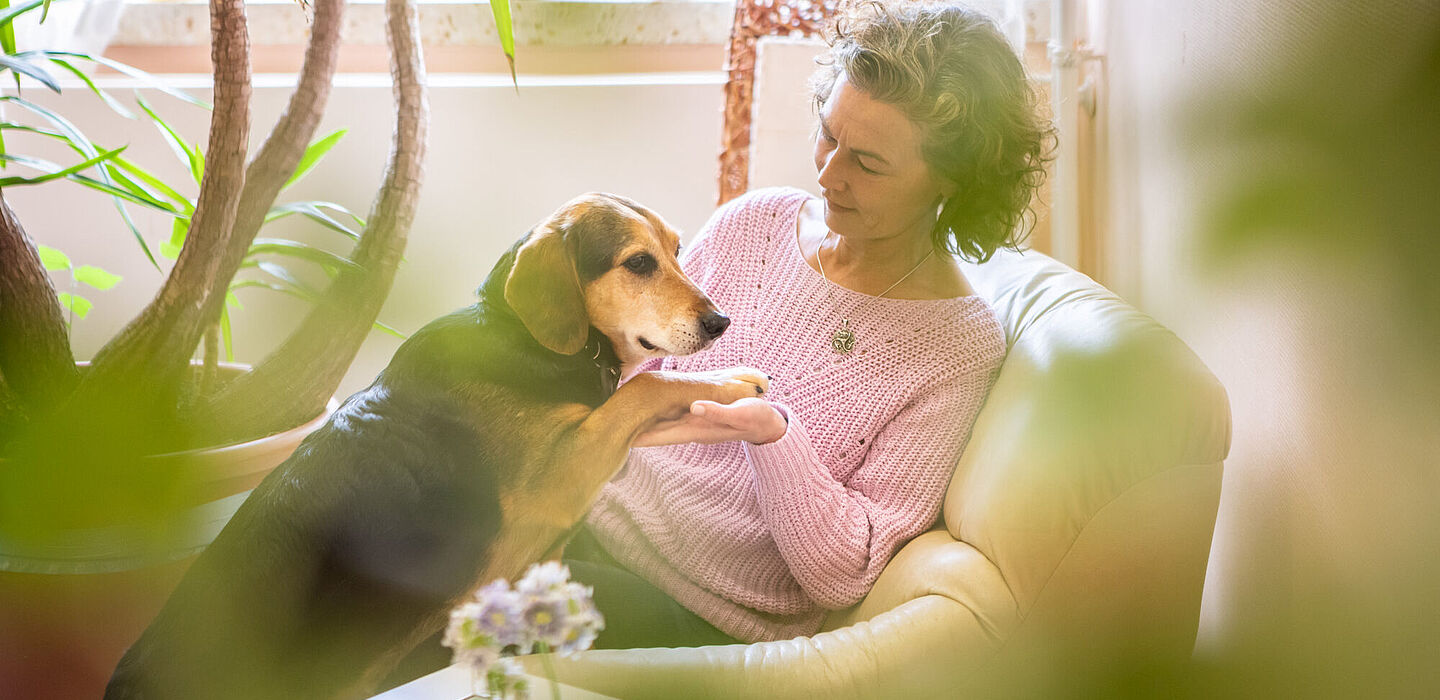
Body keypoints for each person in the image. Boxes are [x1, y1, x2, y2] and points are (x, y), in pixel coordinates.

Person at [565, 1, 1055, 647]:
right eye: (829, 135)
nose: (828, 174)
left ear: (955, 182)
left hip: (697, 612)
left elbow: (844, 573)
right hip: (583, 520)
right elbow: (630, 374)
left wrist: (774, 436)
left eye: (869, 163)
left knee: (456, 600)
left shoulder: (956, 350)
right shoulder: (758, 222)